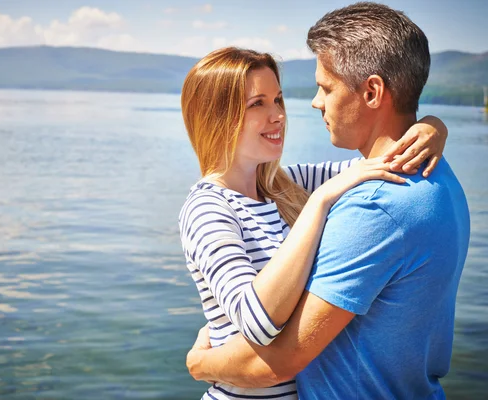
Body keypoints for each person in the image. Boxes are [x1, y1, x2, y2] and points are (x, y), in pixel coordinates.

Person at [185, 3, 471, 399]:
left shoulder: (287, 185)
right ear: (219, 118)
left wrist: (432, 126)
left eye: (279, 99)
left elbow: (376, 162)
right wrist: (319, 202)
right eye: (258, 103)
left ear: (371, 91)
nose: (285, 113)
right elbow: (255, 322)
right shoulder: (212, 208)